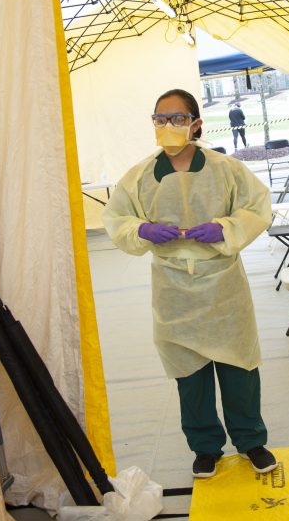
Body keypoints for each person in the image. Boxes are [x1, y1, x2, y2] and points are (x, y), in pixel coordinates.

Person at [102, 88, 276, 479]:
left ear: (196, 124)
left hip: (222, 282)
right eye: (161, 118)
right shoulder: (140, 176)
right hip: (173, 284)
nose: (169, 126)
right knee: (189, 374)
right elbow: (117, 219)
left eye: (178, 118)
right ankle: (205, 447)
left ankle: (251, 441)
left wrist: (225, 227)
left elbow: (258, 207)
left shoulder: (225, 169)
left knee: (239, 368)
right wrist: (142, 228)